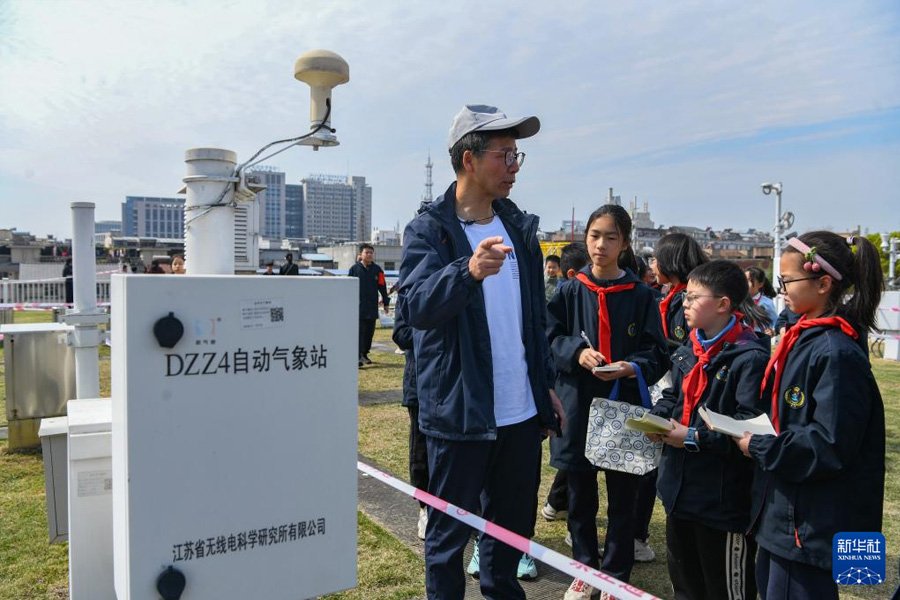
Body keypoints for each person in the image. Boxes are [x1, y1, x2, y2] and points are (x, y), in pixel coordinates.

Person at [398, 104, 565, 600]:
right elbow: (415, 308)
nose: (514, 166)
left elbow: (533, 322)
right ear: (468, 160)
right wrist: (466, 271)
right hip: (461, 413)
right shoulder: (430, 230)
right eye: (504, 154)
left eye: (517, 155)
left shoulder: (519, 227)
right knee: (447, 541)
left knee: (509, 536)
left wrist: (544, 386)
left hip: (520, 413)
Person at [735, 232, 885, 600]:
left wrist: (761, 447)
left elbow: (829, 444)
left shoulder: (836, 351)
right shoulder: (806, 337)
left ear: (823, 284)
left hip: (807, 523)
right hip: (785, 513)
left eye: (787, 280)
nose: (781, 289)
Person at [547, 204, 668, 599]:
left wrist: (632, 367)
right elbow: (549, 338)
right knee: (580, 494)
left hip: (623, 402)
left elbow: (657, 350)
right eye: (594, 235)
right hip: (578, 403)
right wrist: (577, 352)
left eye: (610, 237)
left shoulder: (641, 295)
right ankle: (584, 568)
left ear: (625, 243)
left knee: (623, 496)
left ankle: (616, 575)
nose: (600, 245)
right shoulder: (570, 290)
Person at [649, 260, 769, 600]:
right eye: (684, 297)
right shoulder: (690, 347)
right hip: (678, 489)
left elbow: (749, 428)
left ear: (722, 304)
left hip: (722, 499)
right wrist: (658, 419)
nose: (684, 304)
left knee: (725, 588)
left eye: (692, 297)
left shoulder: (749, 358)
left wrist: (690, 437)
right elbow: (672, 394)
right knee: (686, 585)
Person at [542, 243, 590, 522]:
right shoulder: (566, 294)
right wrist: (577, 351)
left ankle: (558, 503)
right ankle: (564, 510)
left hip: (597, 390)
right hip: (570, 388)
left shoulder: (631, 294)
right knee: (573, 457)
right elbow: (550, 338)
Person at [391, 290, 429, 541]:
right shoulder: (411, 288)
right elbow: (401, 334)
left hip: (457, 387)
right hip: (420, 384)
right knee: (421, 453)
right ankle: (425, 508)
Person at [349, 243, 390, 367]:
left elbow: (382, 286)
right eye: (366, 252)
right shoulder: (354, 269)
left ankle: (365, 353)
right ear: (360, 254)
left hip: (372, 306)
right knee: (359, 332)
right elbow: (348, 287)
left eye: (371, 253)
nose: (369, 255)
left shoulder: (378, 270)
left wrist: (386, 302)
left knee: (369, 332)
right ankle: (357, 355)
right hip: (358, 306)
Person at [745, 266, 777, 337]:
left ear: (760, 284)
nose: (745, 283)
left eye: (749, 280)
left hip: (760, 339)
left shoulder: (767, 303)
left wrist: (772, 331)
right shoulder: (739, 301)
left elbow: (775, 322)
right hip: (742, 340)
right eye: (744, 280)